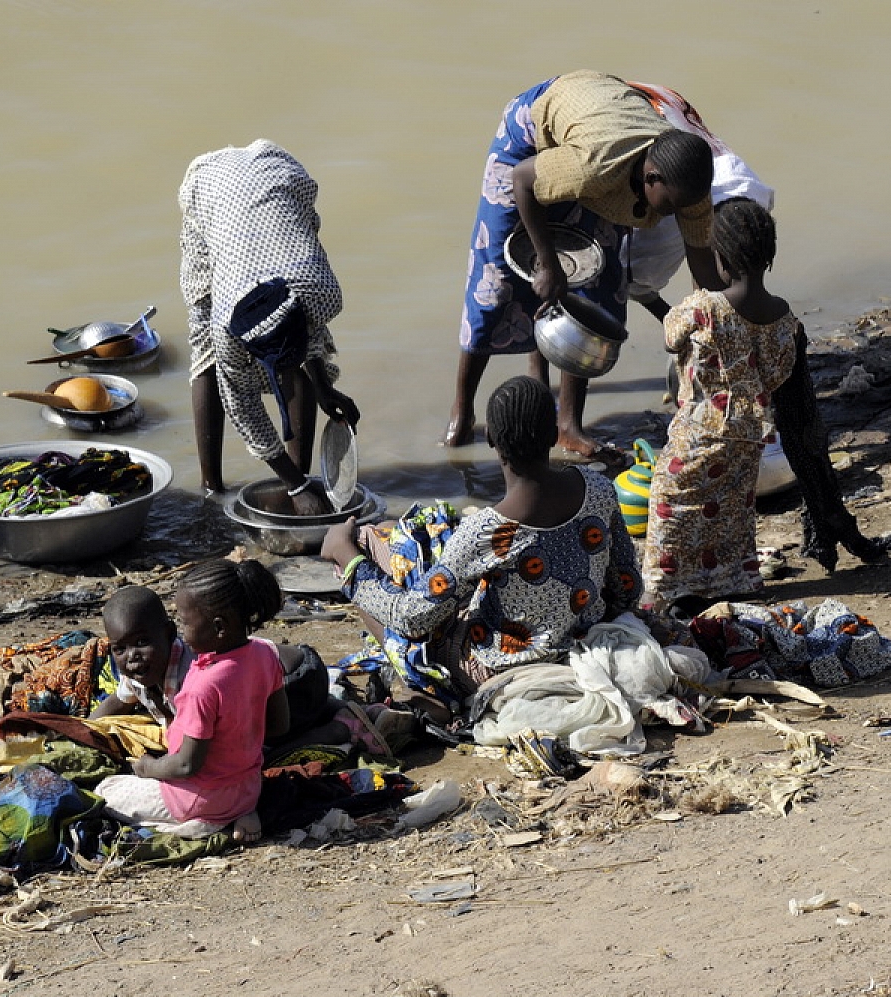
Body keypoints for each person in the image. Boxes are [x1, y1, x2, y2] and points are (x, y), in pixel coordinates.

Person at [443, 71, 724, 464]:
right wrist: (547, 262)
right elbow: (524, 181)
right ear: (650, 177)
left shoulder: (687, 184)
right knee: (496, 284)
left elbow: (702, 262)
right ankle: (462, 411)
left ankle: (567, 426)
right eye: (668, 207)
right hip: (532, 140)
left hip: (599, 136)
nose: (673, 217)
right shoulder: (595, 165)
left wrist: (713, 324)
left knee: (596, 286)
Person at [329, 376, 642, 700]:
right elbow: (627, 585)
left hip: (497, 671)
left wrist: (347, 559)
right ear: (554, 435)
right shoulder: (598, 488)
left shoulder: (488, 533)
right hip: (580, 638)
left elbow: (410, 619)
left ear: (491, 439)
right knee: (407, 540)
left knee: (365, 542)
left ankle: (424, 688)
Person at [180, 139, 360, 515]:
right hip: (212, 192)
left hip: (278, 179)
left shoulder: (322, 294)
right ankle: (211, 486)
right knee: (204, 351)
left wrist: (326, 388)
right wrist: (293, 488)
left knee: (298, 366)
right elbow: (244, 413)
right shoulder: (228, 330)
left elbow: (312, 337)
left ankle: (302, 474)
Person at [639, 198, 798, 613]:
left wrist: (651, 298)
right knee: (729, 513)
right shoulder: (784, 319)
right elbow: (778, 374)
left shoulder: (704, 307)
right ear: (770, 255)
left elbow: (671, 336)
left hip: (697, 433)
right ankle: (733, 580)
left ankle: (658, 592)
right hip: (746, 436)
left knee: (669, 508)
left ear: (721, 257)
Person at [95, 560, 289, 842]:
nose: (182, 632)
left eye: (185, 622)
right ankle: (240, 813)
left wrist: (149, 769)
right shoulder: (265, 652)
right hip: (248, 788)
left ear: (218, 627)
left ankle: (209, 824)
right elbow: (279, 725)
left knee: (104, 791)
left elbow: (187, 766)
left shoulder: (201, 686)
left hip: (201, 798)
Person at [624, 81, 775, 322]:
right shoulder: (662, 234)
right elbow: (704, 279)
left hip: (661, 105)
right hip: (643, 110)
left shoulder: (750, 192)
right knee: (633, 274)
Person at [89, 586, 192, 728]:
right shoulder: (139, 672)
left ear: (169, 634)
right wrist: (82, 727)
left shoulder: (191, 677)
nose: (132, 656)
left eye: (142, 642)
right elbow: (119, 702)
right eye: (120, 649)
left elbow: (199, 741)